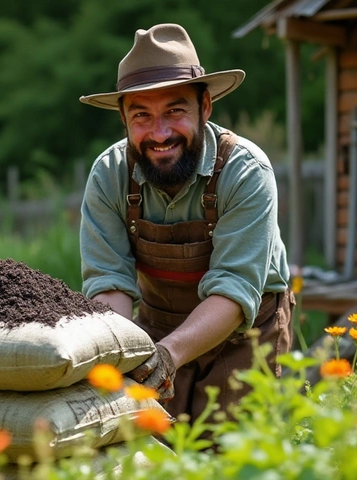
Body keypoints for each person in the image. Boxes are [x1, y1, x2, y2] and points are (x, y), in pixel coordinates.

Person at [78, 23, 294, 422]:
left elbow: (234, 289)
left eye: (175, 110)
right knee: (151, 447)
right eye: (141, 115)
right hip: (155, 328)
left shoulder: (245, 171)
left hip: (245, 332)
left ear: (205, 107)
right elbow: (109, 284)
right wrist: (119, 357)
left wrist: (169, 355)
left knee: (232, 452)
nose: (159, 133)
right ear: (123, 119)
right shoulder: (109, 175)